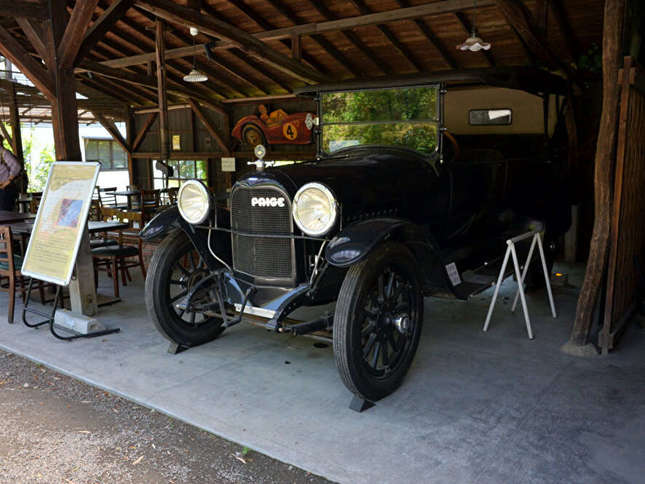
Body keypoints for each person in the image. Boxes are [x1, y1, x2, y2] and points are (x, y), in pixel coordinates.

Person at [0, 135, 23, 211]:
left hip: (5, 190)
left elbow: (16, 167)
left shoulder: (4, 153)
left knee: (4, 215)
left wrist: (7, 182)